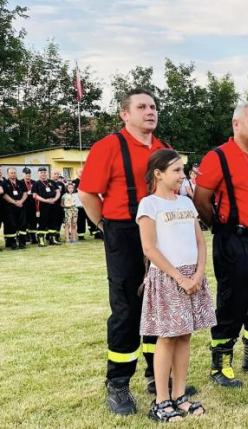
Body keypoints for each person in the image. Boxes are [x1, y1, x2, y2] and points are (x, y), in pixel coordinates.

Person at [79, 87, 177, 415]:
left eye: (153, 106)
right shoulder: (108, 146)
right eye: (142, 107)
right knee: (127, 308)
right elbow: (89, 194)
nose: (150, 111)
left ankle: (157, 376)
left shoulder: (164, 149)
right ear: (125, 114)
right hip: (123, 231)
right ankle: (118, 383)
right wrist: (107, 228)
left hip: (161, 234)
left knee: (159, 304)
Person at [193, 101, 248, 388]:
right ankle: (221, 361)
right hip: (234, 238)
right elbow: (201, 200)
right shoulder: (218, 156)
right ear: (236, 124)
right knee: (233, 300)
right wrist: (221, 227)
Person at [135, 149, 215, 422]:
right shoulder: (149, 204)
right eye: (177, 171)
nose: (183, 175)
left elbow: (200, 242)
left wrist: (198, 274)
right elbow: (149, 247)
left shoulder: (186, 203)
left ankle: (180, 395)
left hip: (192, 277)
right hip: (168, 278)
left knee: (185, 335)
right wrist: (179, 277)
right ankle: (161, 400)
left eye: (183, 170)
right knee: (167, 336)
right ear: (158, 174)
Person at [32, 167, 61, 247]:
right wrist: (45, 200)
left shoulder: (52, 182)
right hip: (43, 205)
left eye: (44, 172)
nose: (43, 174)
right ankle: (41, 240)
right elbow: (35, 196)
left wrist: (55, 199)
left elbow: (58, 192)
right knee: (42, 222)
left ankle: (53, 239)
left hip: (53, 204)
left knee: (53, 221)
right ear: (38, 173)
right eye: (41, 172)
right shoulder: (36, 183)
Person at [2, 167, 28, 249]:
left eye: (14, 172)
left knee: (23, 225)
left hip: (21, 207)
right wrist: (14, 202)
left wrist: (21, 201)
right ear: (8, 174)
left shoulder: (21, 182)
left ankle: (22, 242)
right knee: (11, 225)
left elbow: (25, 193)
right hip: (10, 208)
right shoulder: (4, 183)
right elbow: (4, 195)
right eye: (11, 173)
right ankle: (12, 243)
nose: (13, 174)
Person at [21, 167, 36, 245]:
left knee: (33, 222)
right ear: (23, 174)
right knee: (24, 222)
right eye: (26, 174)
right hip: (24, 205)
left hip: (33, 205)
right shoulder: (20, 183)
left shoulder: (34, 182)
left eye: (29, 174)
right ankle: (25, 237)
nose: (28, 176)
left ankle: (33, 238)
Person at [51, 170, 66, 243]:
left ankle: (57, 235)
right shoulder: (48, 182)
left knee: (59, 220)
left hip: (60, 205)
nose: (56, 175)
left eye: (58, 174)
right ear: (51, 174)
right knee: (52, 221)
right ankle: (50, 236)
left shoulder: (61, 184)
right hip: (51, 204)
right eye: (55, 173)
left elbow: (64, 194)